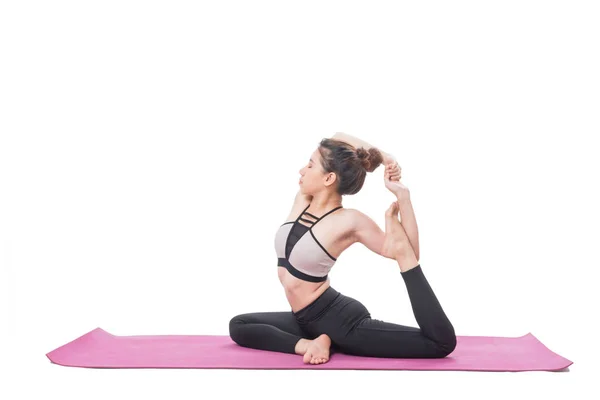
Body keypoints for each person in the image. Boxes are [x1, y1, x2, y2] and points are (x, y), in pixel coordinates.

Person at [229, 132, 456, 364]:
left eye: (309, 165)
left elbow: (409, 253)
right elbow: (337, 136)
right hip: (303, 319)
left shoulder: (350, 220)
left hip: (340, 321)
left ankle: (327, 337)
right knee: (239, 325)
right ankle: (311, 343)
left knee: (441, 343)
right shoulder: (303, 200)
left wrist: (403, 196)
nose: (301, 170)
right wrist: (384, 157)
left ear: (328, 178)